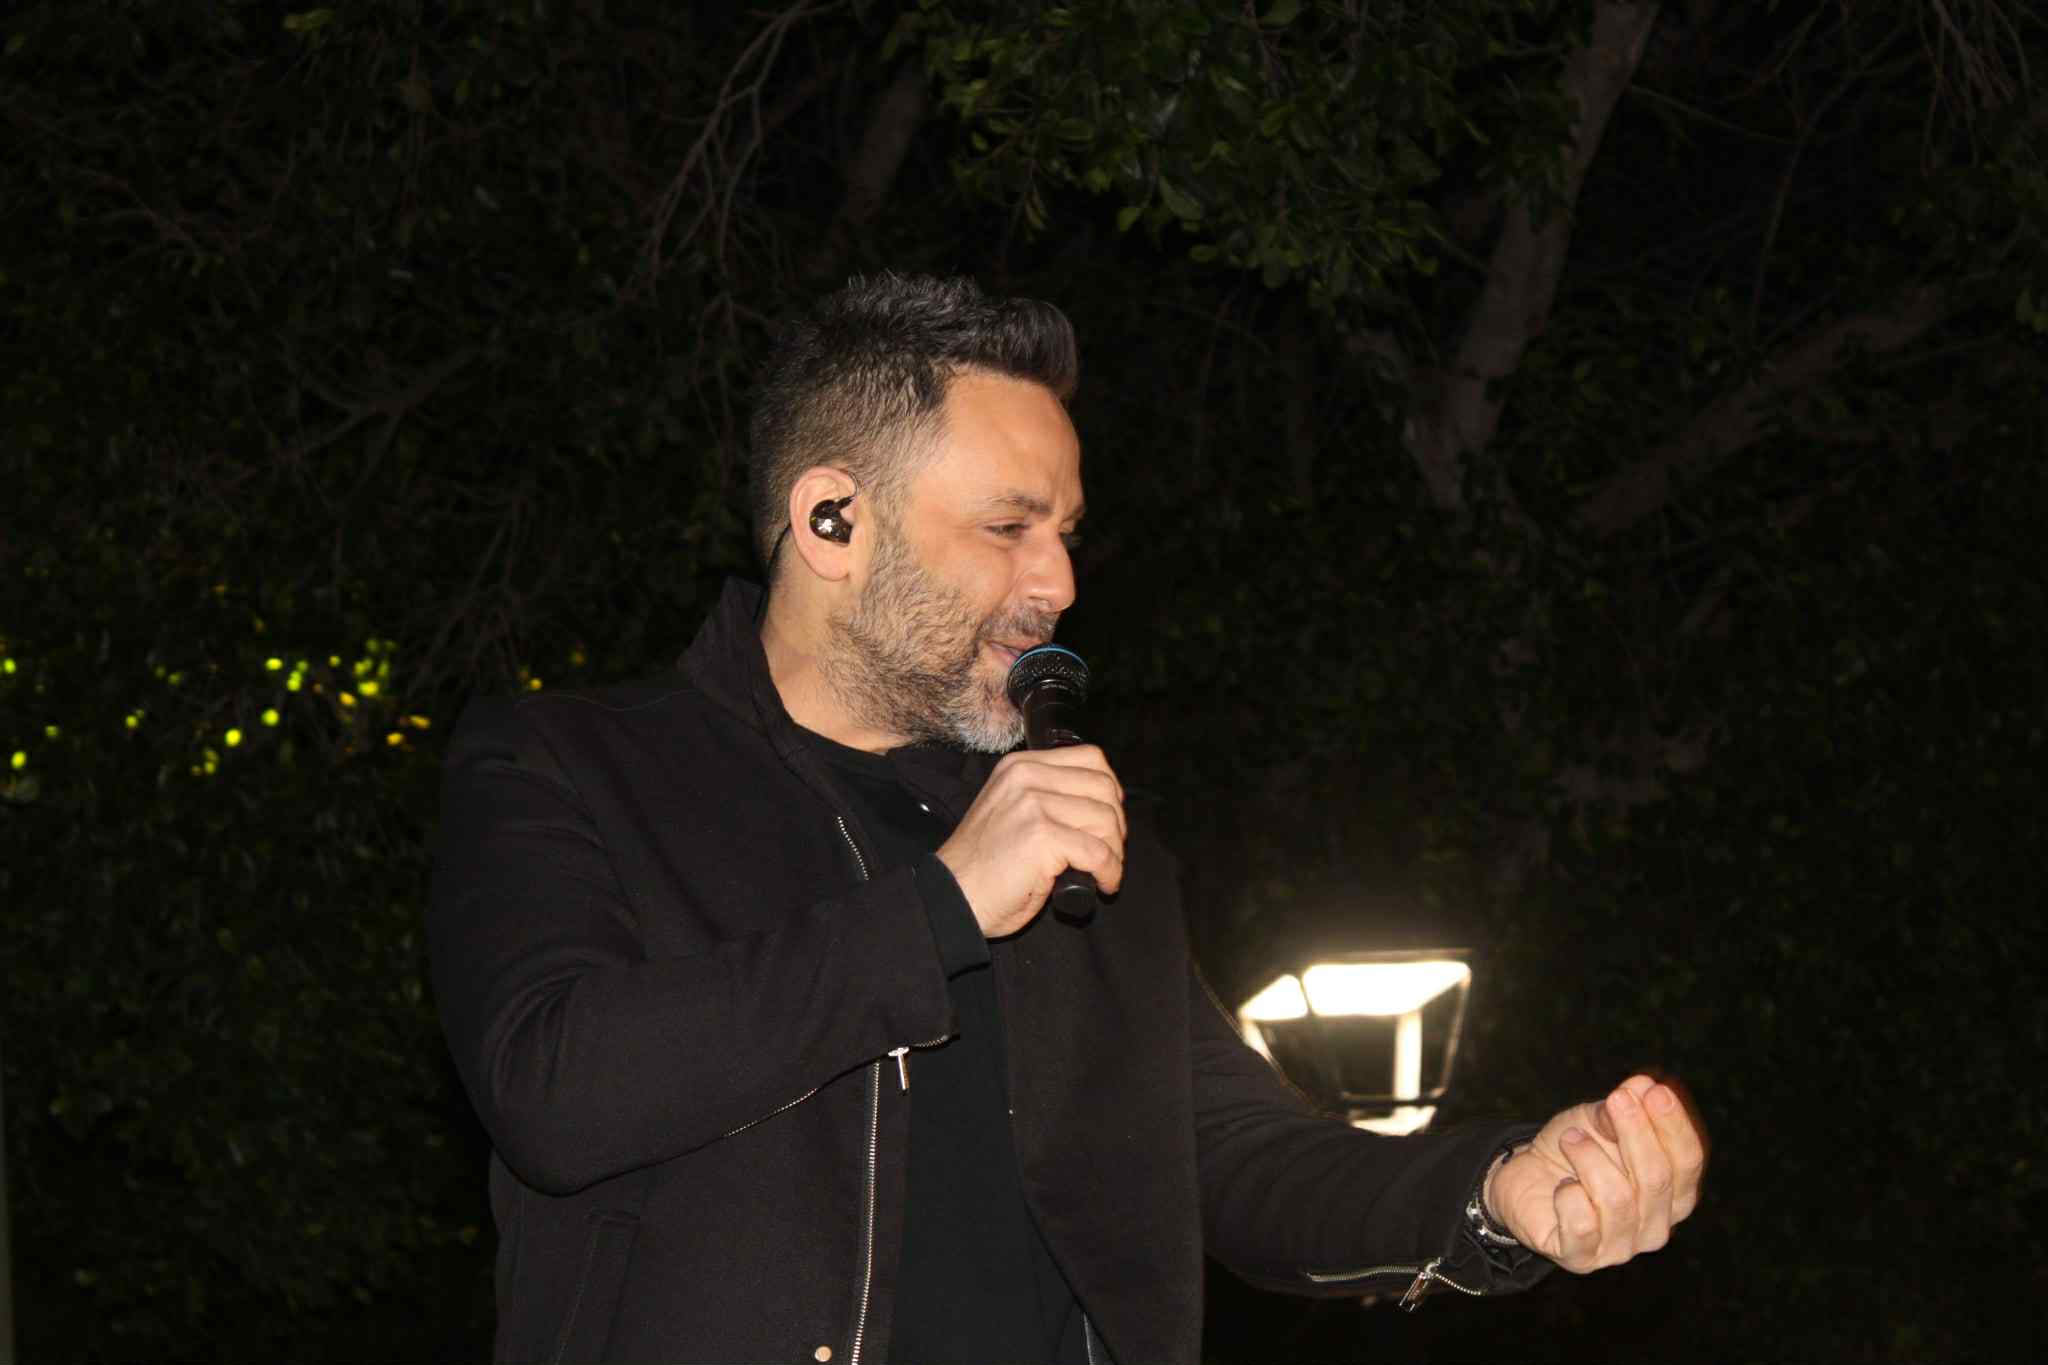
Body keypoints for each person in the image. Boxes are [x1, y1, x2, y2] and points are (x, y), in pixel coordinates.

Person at [427, 274, 1705, 1365]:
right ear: (831, 521)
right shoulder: (570, 766)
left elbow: (1237, 1157)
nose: (1058, 581)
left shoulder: (1072, 829)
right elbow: (554, 1088)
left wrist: (1493, 1193)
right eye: (1008, 527)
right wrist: (940, 906)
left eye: (1066, 533)